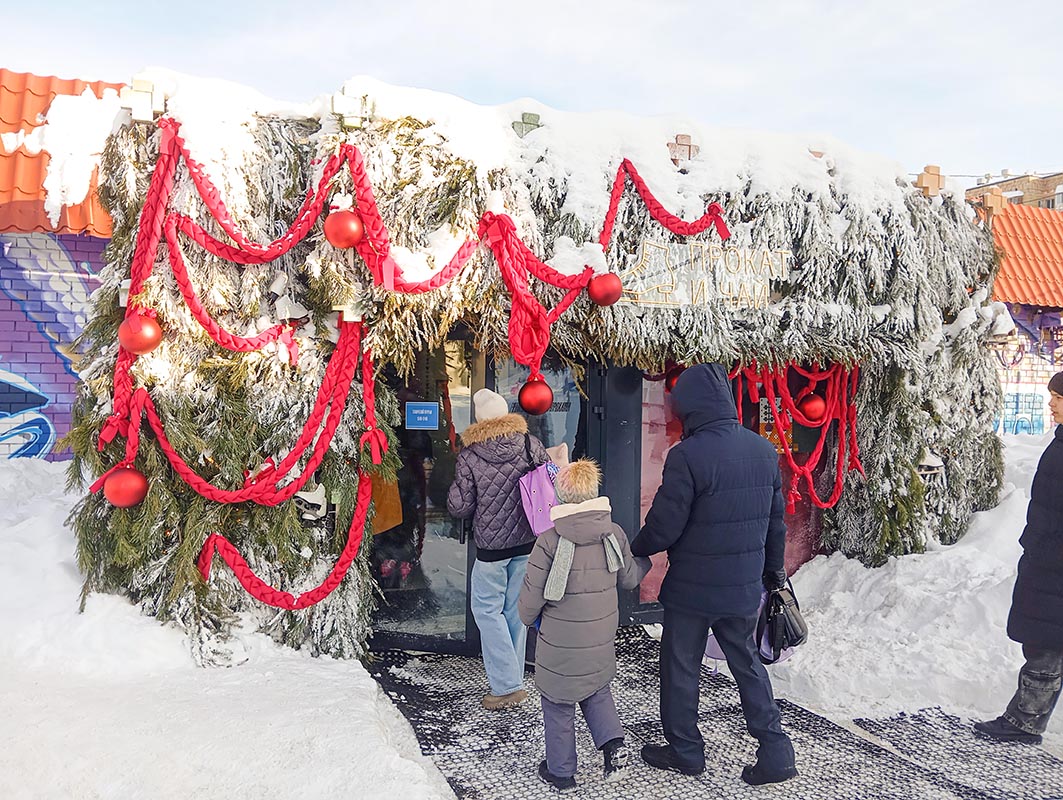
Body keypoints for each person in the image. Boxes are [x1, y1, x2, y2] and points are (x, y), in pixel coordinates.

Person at [631, 363, 798, 785]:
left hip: (691, 593)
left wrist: (634, 548)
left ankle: (685, 750)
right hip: (742, 588)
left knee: (681, 668)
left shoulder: (687, 455)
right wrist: (773, 574)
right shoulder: (762, 451)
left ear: (691, 408)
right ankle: (776, 750)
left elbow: (666, 525)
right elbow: (775, 524)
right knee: (747, 665)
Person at [517, 459, 649, 791]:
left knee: (559, 702)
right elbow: (630, 579)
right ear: (593, 492)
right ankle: (613, 747)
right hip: (600, 636)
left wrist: (528, 619)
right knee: (595, 688)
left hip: (559, 641)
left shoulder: (548, 541)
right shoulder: (613, 533)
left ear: (560, 496)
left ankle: (561, 772)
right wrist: (646, 560)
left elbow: (529, 604)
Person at [975, 371, 1063, 745]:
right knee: (1046, 642)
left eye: (1057, 397)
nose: (1050, 403)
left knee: (1047, 644)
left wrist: (1046, 549)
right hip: (1047, 559)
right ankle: (1026, 718)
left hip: (1055, 564)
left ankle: (1025, 722)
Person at [447, 388, 548, 710]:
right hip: (528, 540)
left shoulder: (470, 455)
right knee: (514, 612)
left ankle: (506, 685)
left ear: (479, 420)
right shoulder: (531, 445)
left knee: (487, 611)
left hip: (492, 548)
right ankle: (512, 679)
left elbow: (460, 507)